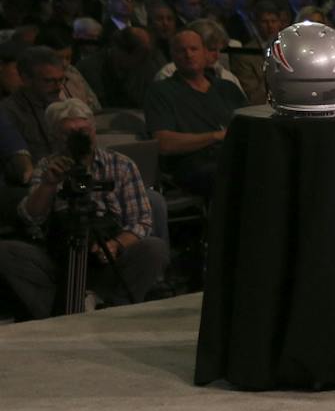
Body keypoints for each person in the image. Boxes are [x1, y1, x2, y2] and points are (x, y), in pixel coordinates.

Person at [0, 97, 168, 317]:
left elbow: (142, 220)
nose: (79, 138)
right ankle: (60, 312)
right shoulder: (47, 167)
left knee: (154, 248)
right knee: (7, 252)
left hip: (108, 253)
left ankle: (112, 307)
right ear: (55, 136)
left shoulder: (121, 165)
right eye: (69, 133)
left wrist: (116, 244)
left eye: (83, 131)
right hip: (60, 257)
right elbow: (31, 219)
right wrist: (49, 185)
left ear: (94, 129)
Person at [145, 27, 246, 198]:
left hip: (236, 155)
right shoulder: (161, 91)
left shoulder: (227, 88)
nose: (188, 55)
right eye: (181, 50)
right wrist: (215, 136)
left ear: (206, 53)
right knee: (233, 173)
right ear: (172, 56)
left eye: (194, 49)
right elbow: (163, 143)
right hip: (194, 163)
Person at [1, 45, 70, 160]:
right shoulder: (7, 113)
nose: (58, 87)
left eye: (60, 80)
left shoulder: (63, 107)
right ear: (26, 79)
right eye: (49, 81)